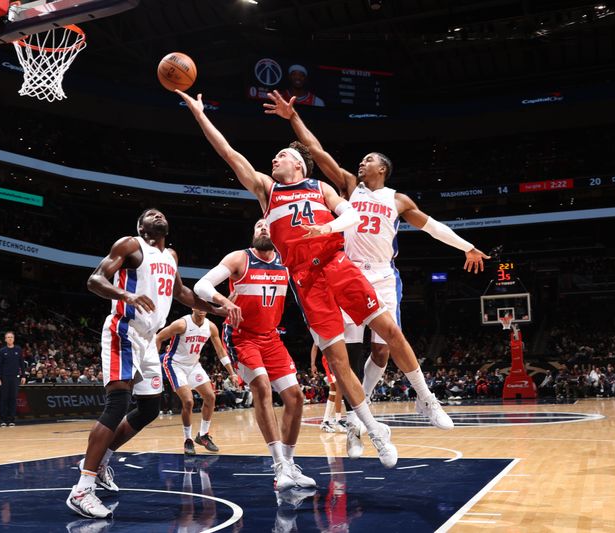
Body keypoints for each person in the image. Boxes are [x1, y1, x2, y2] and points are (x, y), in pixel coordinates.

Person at [180, 90, 434, 468]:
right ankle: (371, 430)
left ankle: (425, 397)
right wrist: (200, 115)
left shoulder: (321, 188)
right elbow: (229, 153)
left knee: (386, 331)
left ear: (297, 164)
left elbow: (350, 215)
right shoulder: (268, 191)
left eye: (281, 156)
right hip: (307, 282)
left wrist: (327, 227)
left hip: (338, 264)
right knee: (339, 358)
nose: (274, 159)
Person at [264, 90, 488, 428]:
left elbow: (433, 227)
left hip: (383, 276)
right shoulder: (349, 186)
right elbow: (317, 151)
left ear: (382, 168)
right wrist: (293, 118)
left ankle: (418, 401)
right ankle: (356, 417)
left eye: (368, 159)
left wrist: (466, 246)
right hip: (347, 272)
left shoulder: (398, 200)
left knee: (383, 349)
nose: (361, 163)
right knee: (350, 353)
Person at [67, 208, 231, 519]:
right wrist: (124, 295)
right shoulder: (130, 245)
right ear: (141, 227)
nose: (157, 214)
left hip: (148, 339)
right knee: (117, 404)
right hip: (123, 330)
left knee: (149, 408)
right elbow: (95, 279)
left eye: (160, 213)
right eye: (149, 214)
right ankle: (81, 489)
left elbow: (182, 292)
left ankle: (101, 461)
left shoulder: (171, 255)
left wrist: (218, 308)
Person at [193, 219, 316, 490]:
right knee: (261, 385)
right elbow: (201, 286)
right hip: (242, 336)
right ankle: (278, 466)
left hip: (271, 338)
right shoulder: (240, 258)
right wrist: (224, 301)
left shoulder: (286, 261)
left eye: (268, 226)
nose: (263, 229)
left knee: (295, 398)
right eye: (259, 226)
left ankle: (290, 464)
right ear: (253, 234)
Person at [155, 308, 237, 455]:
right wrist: (152, 363)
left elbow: (220, 351)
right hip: (175, 364)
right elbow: (158, 337)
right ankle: (188, 440)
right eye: (198, 305)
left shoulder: (210, 327)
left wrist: (232, 372)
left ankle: (203, 435)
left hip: (193, 365)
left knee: (211, 397)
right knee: (188, 402)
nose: (201, 309)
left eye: (204, 305)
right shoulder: (181, 324)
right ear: (192, 307)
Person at [310, 344, 345, 433]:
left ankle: (325, 421)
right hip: (329, 359)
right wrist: (313, 364)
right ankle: (338, 420)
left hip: (337, 357)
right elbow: (315, 346)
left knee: (333, 390)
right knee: (339, 387)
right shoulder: (319, 331)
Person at [0, 331, 25, 427]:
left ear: (14, 339)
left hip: (15, 378)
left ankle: (12, 419)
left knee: (13, 398)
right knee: (4, 398)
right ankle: (3, 420)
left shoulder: (18, 350)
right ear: (5, 339)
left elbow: (22, 364)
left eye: (11, 337)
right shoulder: (2, 351)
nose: (10, 339)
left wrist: (23, 376)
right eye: (8, 337)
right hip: (4, 378)